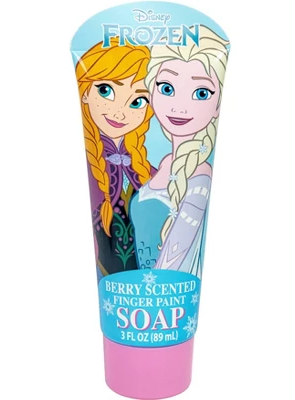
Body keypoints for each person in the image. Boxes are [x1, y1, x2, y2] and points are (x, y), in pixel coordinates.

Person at [130, 26, 229, 278]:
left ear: (217, 105)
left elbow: (175, 256)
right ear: (151, 91)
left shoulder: (199, 176)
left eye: (201, 93)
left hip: (166, 290)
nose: (180, 107)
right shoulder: (165, 163)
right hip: (135, 290)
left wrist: (152, 291)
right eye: (167, 88)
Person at [75, 38, 156, 277]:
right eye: (106, 90)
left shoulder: (148, 170)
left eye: (137, 101)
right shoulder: (91, 165)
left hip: (150, 277)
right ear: (85, 92)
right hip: (109, 279)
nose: (120, 112)